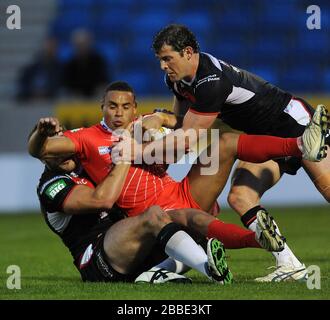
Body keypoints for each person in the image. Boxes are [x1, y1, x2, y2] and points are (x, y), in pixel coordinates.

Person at [28, 81, 324, 278]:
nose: (119, 113)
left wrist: (164, 119)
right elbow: (42, 150)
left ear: (134, 107)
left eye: (125, 107)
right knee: (195, 220)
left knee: (225, 143)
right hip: (157, 214)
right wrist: (42, 131)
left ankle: (299, 145)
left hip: (182, 191)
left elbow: (189, 129)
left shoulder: (141, 126)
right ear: (101, 107)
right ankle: (253, 244)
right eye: (112, 106)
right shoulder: (85, 139)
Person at [147, 24, 330, 281]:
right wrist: (163, 120)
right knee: (240, 197)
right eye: (160, 60)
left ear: (188, 52)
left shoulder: (211, 82)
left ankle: (305, 143)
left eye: (167, 59)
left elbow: (187, 138)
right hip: (262, 139)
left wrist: (141, 145)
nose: (163, 66)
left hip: (294, 124)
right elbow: (181, 120)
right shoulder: (177, 81)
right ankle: (290, 264)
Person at [63, 29, 109, 97]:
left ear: (89, 44)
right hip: (76, 99)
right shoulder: (70, 64)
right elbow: (66, 85)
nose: (82, 47)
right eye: (79, 45)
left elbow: (103, 82)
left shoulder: (98, 61)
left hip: (96, 97)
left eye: (84, 44)